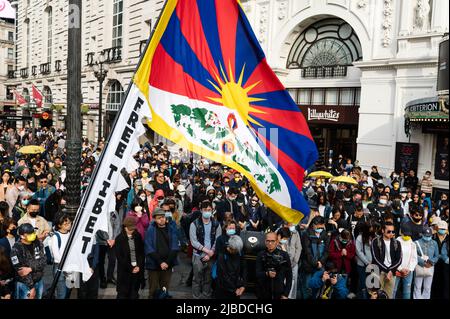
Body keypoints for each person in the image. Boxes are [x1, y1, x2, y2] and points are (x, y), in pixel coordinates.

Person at [145, 208, 179, 299]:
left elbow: (175, 247)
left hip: (168, 263)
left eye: (163, 217)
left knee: (164, 289)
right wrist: (160, 262)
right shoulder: (151, 229)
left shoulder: (171, 228)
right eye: (159, 217)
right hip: (154, 264)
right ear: (155, 219)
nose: (162, 219)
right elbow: (149, 247)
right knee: (153, 289)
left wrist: (167, 262)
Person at [189, 201, 221, 299]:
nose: (207, 212)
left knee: (208, 279)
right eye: (205, 210)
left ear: (212, 210)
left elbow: (217, 239)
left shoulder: (216, 224)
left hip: (210, 256)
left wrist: (211, 253)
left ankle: (206, 296)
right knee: (196, 279)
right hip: (198, 255)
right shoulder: (194, 224)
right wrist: (207, 251)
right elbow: (193, 241)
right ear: (201, 210)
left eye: (209, 210)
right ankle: (196, 297)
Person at [10, 223, 46, 299]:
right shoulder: (16, 249)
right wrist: (31, 287)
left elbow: (44, 261)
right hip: (25, 285)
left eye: (33, 232)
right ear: (22, 236)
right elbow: (21, 272)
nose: (32, 234)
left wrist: (30, 268)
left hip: (39, 280)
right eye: (29, 233)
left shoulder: (38, 243)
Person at [299, 216, 330, 299]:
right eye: (319, 226)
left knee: (318, 287)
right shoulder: (306, 234)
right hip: (308, 266)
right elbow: (307, 251)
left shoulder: (325, 234)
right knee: (307, 287)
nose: (320, 228)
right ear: (313, 225)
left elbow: (327, 251)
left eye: (322, 226)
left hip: (320, 266)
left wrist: (321, 262)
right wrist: (315, 263)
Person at [370, 222, 402, 299]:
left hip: (391, 273)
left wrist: (391, 271)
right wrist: (388, 270)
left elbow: (399, 260)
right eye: (388, 231)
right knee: (376, 296)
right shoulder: (375, 241)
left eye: (393, 231)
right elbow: (375, 259)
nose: (391, 233)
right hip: (378, 272)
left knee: (389, 296)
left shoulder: (397, 243)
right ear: (383, 230)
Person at [255, 232, 292, 299]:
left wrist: (286, 294)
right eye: (268, 241)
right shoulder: (260, 255)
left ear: (277, 242)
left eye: (272, 241)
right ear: (265, 241)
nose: (270, 243)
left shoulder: (284, 255)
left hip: (279, 292)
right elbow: (257, 274)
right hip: (263, 293)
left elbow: (289, 276)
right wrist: (266, 274)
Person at [115, 217, 145, 299]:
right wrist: (131, 268)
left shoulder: (137, 236)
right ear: (124, 227)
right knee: (123, 294)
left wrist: (139, 265)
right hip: (125, 272)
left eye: (133, 229)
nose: (132, 231)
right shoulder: (119, 239)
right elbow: (120, 258)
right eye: (130, 229)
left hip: (136, 270)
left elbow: (141, 253)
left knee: (134, 294)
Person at [214, 235, 247, 299]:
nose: (237, 252)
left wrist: (243, 285)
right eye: (235, 250)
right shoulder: (222, 255)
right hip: (223, 289)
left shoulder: (239, 252)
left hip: (236, 288)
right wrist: (234, 289)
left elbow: (244, 269)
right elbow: (223, 275)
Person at [49, 214, 72, 299]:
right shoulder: (56, 237)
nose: (69, 225)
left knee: (68, 292)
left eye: (69, 223)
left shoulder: (71, 235)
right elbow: (57, 256)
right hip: (60, 267)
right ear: (59, 225)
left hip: (71, 266)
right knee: (61, 294)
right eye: (66, 224)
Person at [393, 223, 417, 299]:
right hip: (396, 270)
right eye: (405, 234)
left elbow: (414, 258)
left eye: (408, 234)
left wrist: (409, 269)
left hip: (408, 272)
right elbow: (393, 257)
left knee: (407, 292)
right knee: (393, 290)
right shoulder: (395, 242)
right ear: (401, 232)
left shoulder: (412, 243)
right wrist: (400, 268)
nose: (407, 236)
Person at [413, 227, 439, 299]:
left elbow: (436, 256)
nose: (428, 237)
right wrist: (423, 263)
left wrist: (431, 262)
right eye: (426, 235)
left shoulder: (434, 243)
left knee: (427, 287)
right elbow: (414, 255)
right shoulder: (416, 242)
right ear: (422, 234)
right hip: (419, 266)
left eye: (429, 236)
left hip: (430, 266)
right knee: (417, 286)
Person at [277, 224, 302, 299]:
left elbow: (298, 248)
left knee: (291, 283)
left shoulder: (295, 233)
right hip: (281, 265)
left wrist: (295, 261)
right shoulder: (279, 233)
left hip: (293, 263)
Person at [355, 221, 376, 299]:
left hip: (373, 265)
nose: (371, 230)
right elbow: (358, 251)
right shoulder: (360, 238)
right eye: (369, 229)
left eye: (372, 229)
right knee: (363, 285)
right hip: (362, 265)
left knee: (373, 286)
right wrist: (367, 262)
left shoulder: (374, 237)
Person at [432, 220, 449, 299]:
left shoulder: (448, 238)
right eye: (441, 228)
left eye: (444, 229)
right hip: (434, 264)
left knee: (445, 283)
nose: (442, 230)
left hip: (446, 265)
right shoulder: (432, 236)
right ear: (437, 228)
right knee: (435, 282)